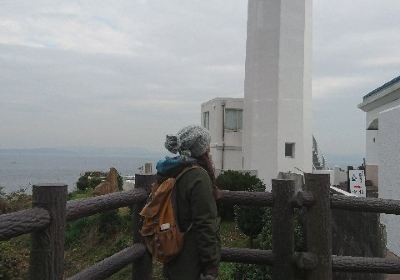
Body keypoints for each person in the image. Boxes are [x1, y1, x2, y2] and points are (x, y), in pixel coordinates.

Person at [156, 125, 220, 280]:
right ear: (201, 149)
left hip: (171, 251)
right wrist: (211, 266)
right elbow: (205, 223)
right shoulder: (198, 177)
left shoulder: (170, 171)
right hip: (191, 260)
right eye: (207, 146)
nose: (209, 150)